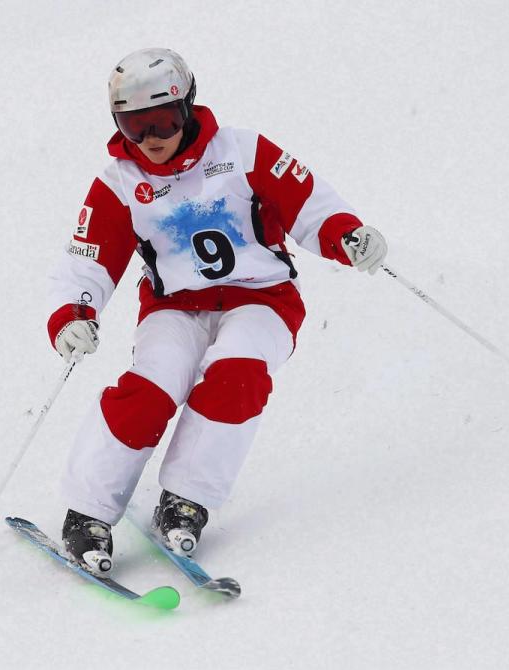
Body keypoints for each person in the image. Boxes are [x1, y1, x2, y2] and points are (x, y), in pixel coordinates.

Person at [48, 48, 387, 575]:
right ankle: (87, 512)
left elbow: (309, 204)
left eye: (163, 120)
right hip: (174, 309)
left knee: (237, 377)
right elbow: (87, 260)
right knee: (150, 391)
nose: (151, 138)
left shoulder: (242, 151)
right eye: (134, 126)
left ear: (187, 107)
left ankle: (185, 499)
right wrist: (74, 313)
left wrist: (347, 234)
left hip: (263, 299)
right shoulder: (118, 182)